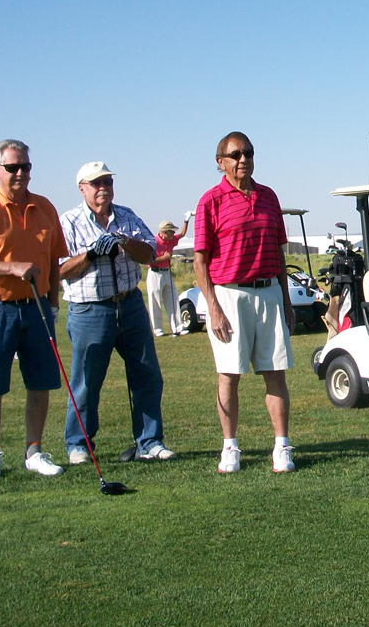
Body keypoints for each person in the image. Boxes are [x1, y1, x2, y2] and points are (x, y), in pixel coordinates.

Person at [0, 139, 68, 482]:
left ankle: (34, 450)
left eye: (26, 167)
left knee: (41, 382)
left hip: (36, 309)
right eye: (13, 167)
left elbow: (52, 259)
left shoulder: (44, 207)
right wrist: (11, 268)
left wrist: (52, 306)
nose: (20, 174)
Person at [192, 132, 297, 475]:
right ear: (220, 162)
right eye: (235, 154)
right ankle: (230, 447)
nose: (243, 160)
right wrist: (213, 306)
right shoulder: (211, 201)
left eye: (248, 153)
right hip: (228, 295)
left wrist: (286, 300)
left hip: (268, 293)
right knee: (229, 376)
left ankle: (282, 446)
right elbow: (200, 261)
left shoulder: (268, 197)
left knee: (275, 373)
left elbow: (279, 255)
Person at [58, 162, 175, 463]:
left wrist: (124, 242)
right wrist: (90, 254)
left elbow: (150, 252)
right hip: (89, 310)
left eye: (107, 181)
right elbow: (60, 269)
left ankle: (149, 441)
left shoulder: (126, 216)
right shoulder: (68, 222)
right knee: (87, 380)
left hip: (130, 304)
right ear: (82, 188)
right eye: (95, 183)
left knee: (147, 374)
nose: (103, 188)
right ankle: (79, 444)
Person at [147, 214, 191, 337]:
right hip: (155, 273)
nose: (173, 234)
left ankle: (178, 327)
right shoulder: (153, 241)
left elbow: (181, 234)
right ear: (164, 232)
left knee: (173, 299)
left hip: (167, 272)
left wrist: (186, 221)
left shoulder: (171, 240)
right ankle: (157, 329)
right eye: (171, 231)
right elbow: (148, 260)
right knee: (155, 301)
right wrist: (163, 258)